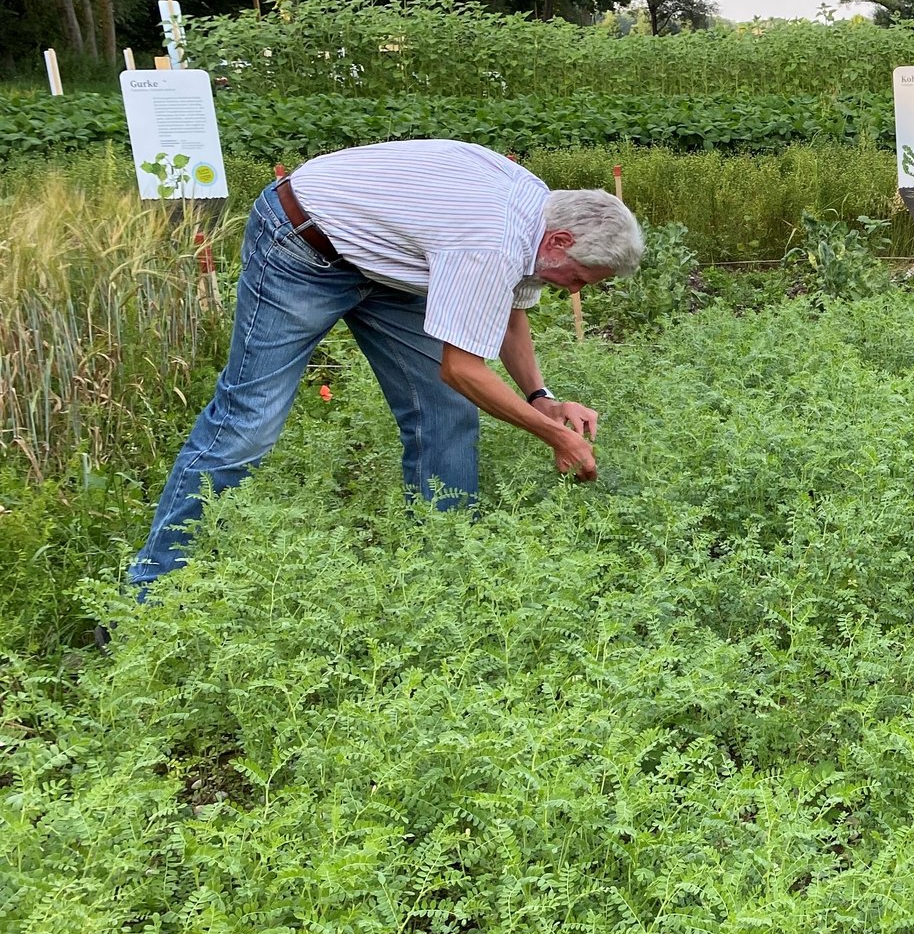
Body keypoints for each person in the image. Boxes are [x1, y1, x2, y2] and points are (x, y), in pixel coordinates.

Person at [127, 138, 644, 594]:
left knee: (446, 413)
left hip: (395, 264)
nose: (575, 291)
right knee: (250, 422)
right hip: (304, 243)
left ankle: (443, 578)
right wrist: (557, 438)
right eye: (580, 278)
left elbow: (507, 313)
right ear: (560, 242)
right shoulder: (491, 239)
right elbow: (462, 369)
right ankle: (151, 591)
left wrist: (542, 399)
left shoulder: (541, 221)